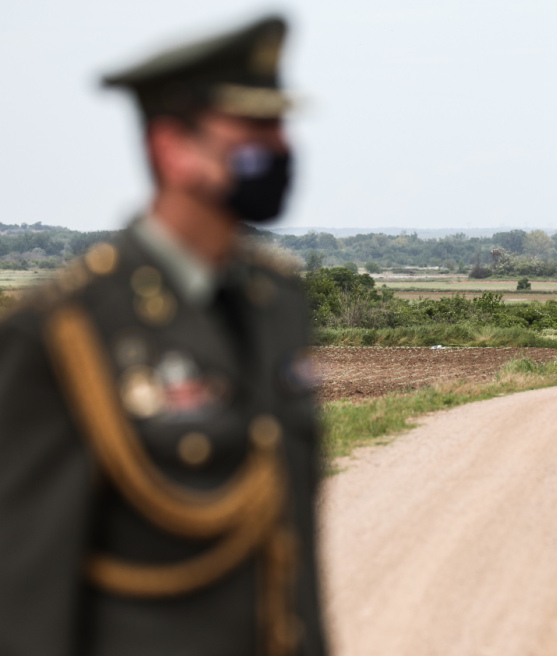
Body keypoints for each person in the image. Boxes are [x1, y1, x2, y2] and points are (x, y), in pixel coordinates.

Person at [0, 15, 328, 656]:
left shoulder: (278, 304)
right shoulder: (66, 332)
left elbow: (291, 569)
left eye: (280, 125)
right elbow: (25, 598)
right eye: (253, 128)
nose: (279, 146)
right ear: (172, 146)